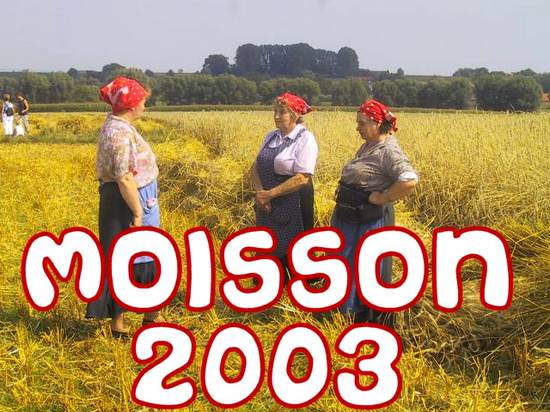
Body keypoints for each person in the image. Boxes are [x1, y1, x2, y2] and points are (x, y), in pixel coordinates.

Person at [86, 76, 164, 338]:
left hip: (121, 197)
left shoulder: (115, 126)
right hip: (129, 199)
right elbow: (124, 177)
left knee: (120, 256)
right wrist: (138, 212)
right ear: (131, 104)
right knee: (144, 255)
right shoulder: (119, 132)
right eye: (142, 101)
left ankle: (122, 323)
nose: (144, 106)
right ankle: (150, 316)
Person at [332, 99, 419, 324]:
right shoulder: (369, 145)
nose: (357, 128)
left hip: (369, 218)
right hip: (352, 216)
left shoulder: (388, 150)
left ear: (377, 123)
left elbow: (409, 180)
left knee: (366, 265)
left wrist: (383, 197)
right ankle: (347, 312)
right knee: (348, 261)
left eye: (362, 123)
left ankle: (365, 317)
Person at [251, 92, 319, 283]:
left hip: (292, 203)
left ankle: (296, 289)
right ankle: (269, 286)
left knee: (293, 245)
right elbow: (255, 166)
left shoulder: (305, 139)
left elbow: (302, 178)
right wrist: (260, 193)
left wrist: (270, 194)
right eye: (275, 111)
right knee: (268, 244)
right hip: (267, 204)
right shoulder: (271, 136)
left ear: (295, 115)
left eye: (282, 112)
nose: (276, 116)